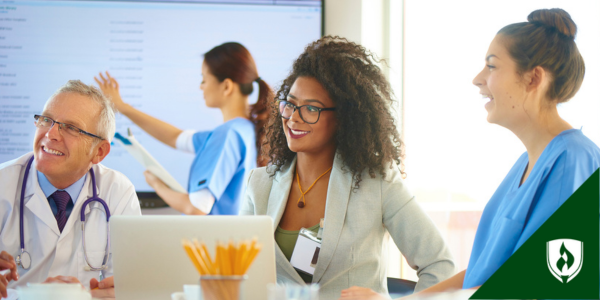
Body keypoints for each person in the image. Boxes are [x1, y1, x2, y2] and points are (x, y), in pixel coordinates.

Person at [339, 8, 600, 300]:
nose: (478, 79)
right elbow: (481, 273)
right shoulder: (527, 164)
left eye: (492, 66)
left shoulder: (573, 162)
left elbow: (540, 287)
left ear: (533, 78)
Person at [240, 36, 455, 300]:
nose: (294, 118)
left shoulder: (377, 183)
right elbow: (243, 273)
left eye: (310, 108)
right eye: (291, 104)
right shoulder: (259, 183)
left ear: (343, 118)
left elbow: (440, 265)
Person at [0, 80, 142, 299]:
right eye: (46, 120)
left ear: (99, 151)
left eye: (71, 128)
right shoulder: (3, 183)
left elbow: (130, 285)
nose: (51, 134)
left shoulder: (118, 192)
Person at [95, 42, 272, 216]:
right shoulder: (244, 130)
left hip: (210, 242)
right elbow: (175, 137)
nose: (200, 86)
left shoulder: (227, 135)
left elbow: (196, 208)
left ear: (226, 86)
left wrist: (157, 184)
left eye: (204, 79)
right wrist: (123, 107)